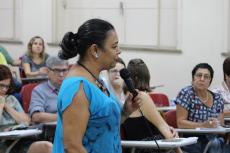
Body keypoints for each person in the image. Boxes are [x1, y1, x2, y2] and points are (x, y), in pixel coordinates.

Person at [52, 18, 148, 153]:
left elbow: (102, 125)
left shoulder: (96, 79)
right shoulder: (77, 88)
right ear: (95, 50)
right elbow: (72, 147)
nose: (119, 51)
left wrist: (126, 111)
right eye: (114, 47)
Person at [122, 58, 182, 153]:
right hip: (148, 148)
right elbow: (165, 130)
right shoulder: (141, 97)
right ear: (144, 77)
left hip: (135, 148)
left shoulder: (125, 97)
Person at [174, 63, 225, 153]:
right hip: (192, 140)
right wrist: (203, 125)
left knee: (217, 142)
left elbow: (221, 123)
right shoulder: (186, 93)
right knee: (215, 144)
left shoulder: (217, 98)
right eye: (199, 75)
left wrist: (216, 124)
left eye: (206, 77)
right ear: (193, 78)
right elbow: (180, 123)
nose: (202, 79)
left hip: (213, 138)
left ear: (210, 81)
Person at [29, 56, 69, 123]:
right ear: (47, 71)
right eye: (57, 70)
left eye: (64, 70)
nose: (61, 75)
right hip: (53, 130)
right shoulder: (39, 90)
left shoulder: (73, 89)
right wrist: (66, 117)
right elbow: (36, 116)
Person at [0, 64, 30, 153]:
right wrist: (1, 105)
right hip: (2, 143)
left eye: (7, 86)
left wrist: (6, 106)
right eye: (1, 85)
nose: (4, 89)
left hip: (17, 141)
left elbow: (26, 122)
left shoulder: (11, 99)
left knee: (45, 146)